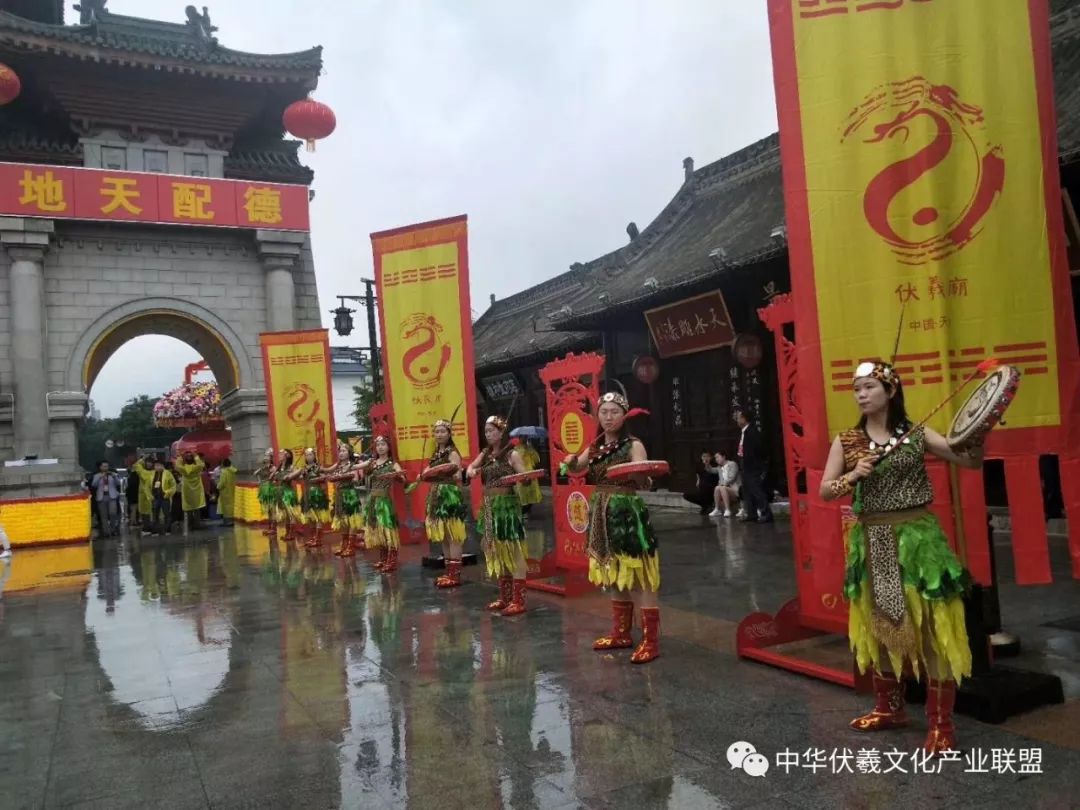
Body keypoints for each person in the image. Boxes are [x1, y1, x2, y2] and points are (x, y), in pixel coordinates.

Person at [820, 360, 980, 755]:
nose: (861, 394)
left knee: (931, 626)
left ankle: (941, 724)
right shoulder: (846, 441)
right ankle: (889, 708)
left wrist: (980, 434)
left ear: (890, 392)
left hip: (919, 540)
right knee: (886, 623)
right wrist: (853, 476)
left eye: (870, 386)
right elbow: (826, 491)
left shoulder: (916, 433)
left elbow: (969, 460)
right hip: (875, 540)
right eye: (857, 388)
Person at [564, 392, 661, 663]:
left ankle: (650, 640)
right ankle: (621, 632)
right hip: (601, 512)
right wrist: (571, 461)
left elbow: (645, 480)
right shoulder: (594, 446)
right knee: (613, 569)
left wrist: (640, 474)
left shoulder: (633, 444)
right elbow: (576, 469)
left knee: (638, 572)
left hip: (627, 511)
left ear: (624, 416)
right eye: (604, 412)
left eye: (614, 412)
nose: (608, 417)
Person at [466, 416, 528, 616]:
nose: (489, 434)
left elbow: (526, 477)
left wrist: (523, 478)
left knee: (514, 549)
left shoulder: (512, 454)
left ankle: (518, 600)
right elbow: (470, 468)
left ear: (501, 433)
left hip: (508, 507)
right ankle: (505, 596)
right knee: (495, 549)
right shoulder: (485, 454)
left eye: (492, 431)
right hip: (490, 507)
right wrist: (472, 471)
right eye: (486, 431)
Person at [423, 419, 468, 588]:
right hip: (436, 495)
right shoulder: (435, 454)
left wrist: (442, 473)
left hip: (449, 495)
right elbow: (427, 472)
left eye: (443, 431)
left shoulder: (452, 453)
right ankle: (448, 572)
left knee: (453, 535)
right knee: (443, 536)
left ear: (449, 434)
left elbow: (457, 476)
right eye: (437, 432)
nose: (439, 434)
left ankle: (455, 575)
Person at [357, 435, 404, 572]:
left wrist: (398, 476)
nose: (380, 447)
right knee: (377, 530)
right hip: (373, 500)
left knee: (388, 529)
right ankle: (383, 559)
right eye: (378, 445)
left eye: (383, 444)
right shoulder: (372, 463)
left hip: (384, 501)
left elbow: (402, 477)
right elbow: (357, 468)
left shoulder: (392, 464)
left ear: (388, 447)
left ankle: (392, 560)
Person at [735, 410, 772, 523]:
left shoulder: (752, 432)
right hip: (745, 464)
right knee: (747, 490)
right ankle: (751, 514)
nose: (737, 420)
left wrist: (757, 464)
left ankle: (766, 513)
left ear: (744, 419)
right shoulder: (743, 432)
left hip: (752, 466)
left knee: (756, 490)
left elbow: (758, 449)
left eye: (739, 417)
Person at [326, 441, 362, 557]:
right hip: (339, 496)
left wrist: (352, 476)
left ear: (349, 453)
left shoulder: (352, 465)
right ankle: (344, 545)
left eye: (344, 451)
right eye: (340, 451)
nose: (341, 453)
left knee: (352, 520)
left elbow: (356, 478)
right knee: (343, 521)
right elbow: (328, 472)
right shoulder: (338, 466)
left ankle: (350, 547)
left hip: (350, 495)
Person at [175, 452, 207, 531]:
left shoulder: (183, 469)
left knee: (188, 508)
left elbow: (177, 466)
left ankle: (190, 525)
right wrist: (196, 456)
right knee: (196, 508)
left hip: (186, 489)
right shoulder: (197, 468)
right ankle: (197, 524)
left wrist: (180, 457)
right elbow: (201, 465)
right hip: (197, 490)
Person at [147, 457, 177, 536]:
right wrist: (150, 495)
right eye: (156, 465)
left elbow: (173, 485)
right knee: (154, 514)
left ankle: (168, 530)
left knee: (167, 514)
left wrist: (168, 493)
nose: (157, 467)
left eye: (159, 465)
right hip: (155, 497)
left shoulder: (168, 473)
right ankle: (155, 531)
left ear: (163, 466)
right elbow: (146, 486)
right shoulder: (151, 474)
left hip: (164, 497)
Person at [91, 461, 121, 538]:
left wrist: (115, 477)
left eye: (107, 466)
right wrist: (100, 477)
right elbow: (94, 484)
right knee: (103, 515)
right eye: (104, 466)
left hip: (112, 497)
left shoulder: (112, 475)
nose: (105, 468)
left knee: (113, 513)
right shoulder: (97, 475)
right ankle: (106, 532)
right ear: (100, 467)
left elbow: (118, 483)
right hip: (101, 497)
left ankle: (113, 529)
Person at [708, 450, 742, 518]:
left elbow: (731, 478)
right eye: (715, 458)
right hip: (725, 490)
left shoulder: (732, 464)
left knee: (721, 487)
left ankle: (727, 510)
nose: (716, 459)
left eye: (718, 457)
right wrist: (707, 463)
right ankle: (717, 509)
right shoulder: (719, 467)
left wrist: (722, 484)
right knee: (717, 488)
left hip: (735, 490)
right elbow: (710, 470)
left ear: (723, 457)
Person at [254, 449, 279, 537]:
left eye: (267, 456)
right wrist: (259, 481)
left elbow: (276, 478)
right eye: (265, 456)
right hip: (264, 489)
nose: (265, 458)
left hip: (271, 489)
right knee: (268, 509)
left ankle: (274, 527)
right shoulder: (263, 468)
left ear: (271, 458)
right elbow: (255, 473)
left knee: (272, 509)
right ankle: (269, 526)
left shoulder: (273, 468)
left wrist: (273, 478)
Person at [516, 438, 543, 516]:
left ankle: (527, 509)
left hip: (531, 473)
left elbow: (537, 460)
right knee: (522, 495)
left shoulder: (530, 448)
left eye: (525, 437)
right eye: (522, 437)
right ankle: (523, 512)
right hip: (521, 473)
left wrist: (531, 450)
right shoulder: (516, 449)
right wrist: (524, 450)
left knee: (532, 494)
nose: (523, 439)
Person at [132, 456, 155, 532]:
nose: (149, 464)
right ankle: (146, 527)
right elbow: (136, 465)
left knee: (153, 511)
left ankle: (153, 527)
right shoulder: (142, 471)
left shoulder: (155, 471)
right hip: (143, 495)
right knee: (144, 512)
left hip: (152, 494)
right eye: (147, 462)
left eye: (151, 462)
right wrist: (143, 459)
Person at [217, 459, 237, 527]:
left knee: (225, 507)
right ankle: (231, 521)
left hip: (225, 491)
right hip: (231, 490)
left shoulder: (224, 472)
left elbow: (222, 482)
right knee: (231, 506)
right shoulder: (233, 471)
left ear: (223, 464)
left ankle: (227, 522)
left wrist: (218, 486)